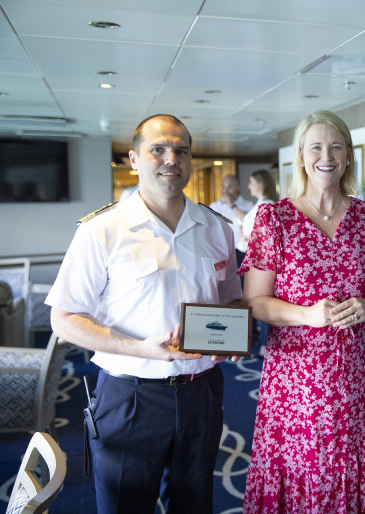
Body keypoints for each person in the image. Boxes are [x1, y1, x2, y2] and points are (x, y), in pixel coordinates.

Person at [46, 114, 242, 514]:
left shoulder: (216, 227)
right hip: (129, 394)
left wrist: (232, 338)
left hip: (202, 391)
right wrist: (139, 348)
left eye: (181, 150)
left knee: (194, 502)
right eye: (159, 149)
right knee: (124, 505)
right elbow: (64, 319)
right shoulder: (101, 230)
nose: (172, 158)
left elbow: (232, 300)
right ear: (134, 159)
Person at [239, 110, 365, 513]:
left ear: (348, 156)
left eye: (335, 146)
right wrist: (306, 315)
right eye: (316, 146)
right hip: (297, 379)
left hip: (360, 372)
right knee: (303, 466)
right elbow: (255, 302)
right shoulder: (274, 219)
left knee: (357, 468)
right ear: (301, 156)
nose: (325, 155)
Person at [240, 169, 279, 356]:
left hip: (262, 262)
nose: (249, 186)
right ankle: (257, 340)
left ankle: (265, 343)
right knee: (251, 301)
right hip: (248, 256)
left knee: (262, 300)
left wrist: (247, 238)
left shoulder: (268, 206)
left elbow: (267, 240)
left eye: (251, 182)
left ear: (260, 183)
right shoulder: (260, 204)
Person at [211, 174, 254, 265]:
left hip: (242, 251)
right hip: (220, 252)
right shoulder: (214, 207)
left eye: (229, 187)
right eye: (223, 187)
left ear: (238, 187)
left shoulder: (248, 205)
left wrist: (231, 205)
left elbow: (251, 223)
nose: (225, 190)